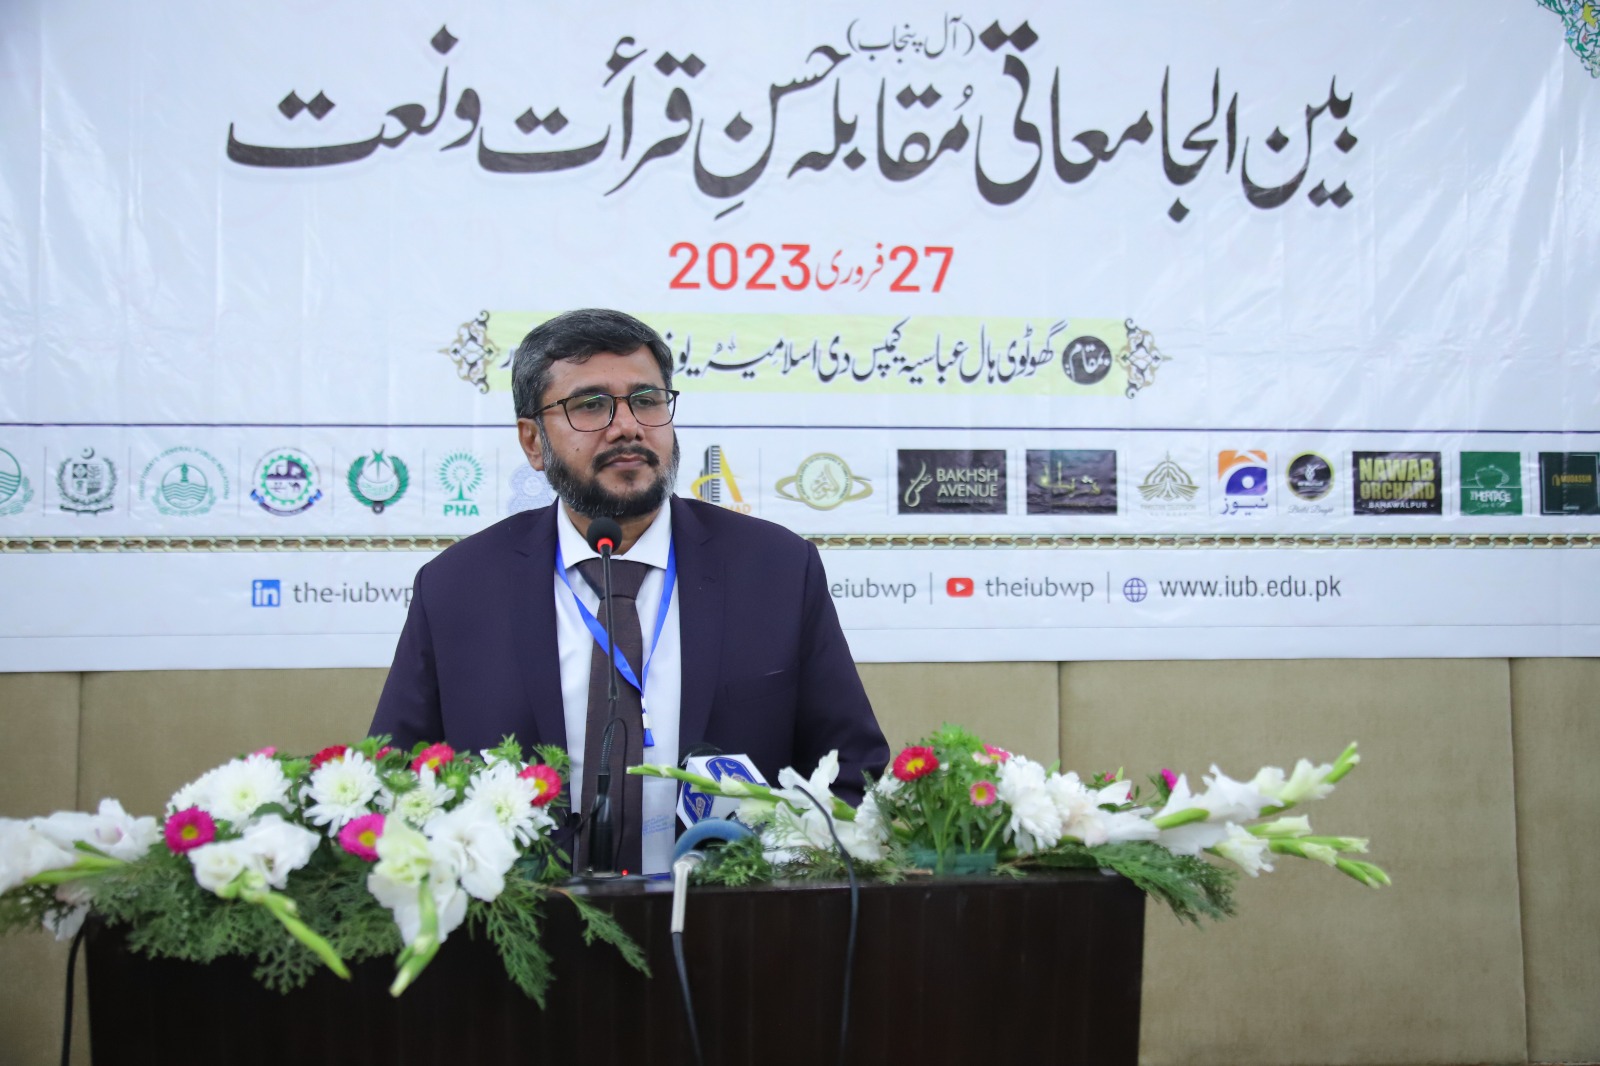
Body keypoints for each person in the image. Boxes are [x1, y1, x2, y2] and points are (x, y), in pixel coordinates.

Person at [369, 308, 889, 875]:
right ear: (533, 441)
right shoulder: (457, 587)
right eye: (590, 405)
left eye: (646, 400)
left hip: (727, 919)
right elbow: (398, 784)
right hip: (529, 921)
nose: (627, 426)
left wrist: (784, 881)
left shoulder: (776, 570)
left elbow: (851, 771)